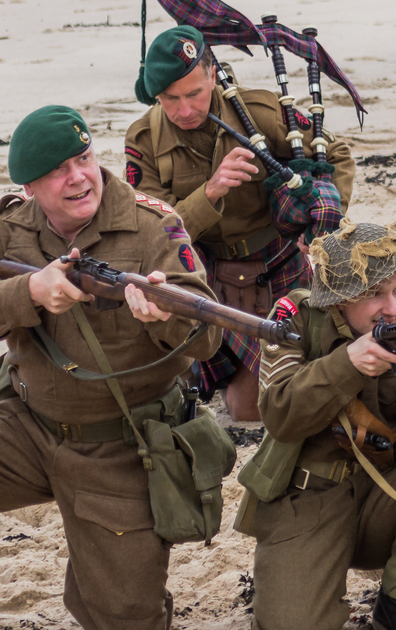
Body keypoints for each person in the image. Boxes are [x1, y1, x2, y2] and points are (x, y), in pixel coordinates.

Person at [0, 106, 227, 630]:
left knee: (125, 616)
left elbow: (209, 339)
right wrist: (29, 291)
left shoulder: (154, 225)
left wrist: (164, 317)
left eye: (84, 159)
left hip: (123, 446)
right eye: (57, 171)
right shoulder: (9, 227)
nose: (78, 178)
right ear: (29, 188)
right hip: (28, 426)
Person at [237, 218, 396, 630]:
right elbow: (280, 416)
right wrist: (346, 365)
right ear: (339, 300)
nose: (393, 307)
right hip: (306, 501)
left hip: (383, 497)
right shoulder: (296, 322)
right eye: (374, 295)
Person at [125, 25, 356, 424]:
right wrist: (210, 191)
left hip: (279, 265)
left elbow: (334, 155)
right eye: (170, 99)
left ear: (213, 75)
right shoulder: (143, 140)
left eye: (194, 93)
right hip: (204, 273)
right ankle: (206, 365)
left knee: (276, 394)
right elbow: (153, 232)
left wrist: (321, 223)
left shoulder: (259, 112)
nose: (185, 110)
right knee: (234, 402)